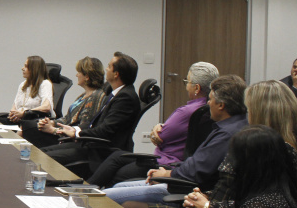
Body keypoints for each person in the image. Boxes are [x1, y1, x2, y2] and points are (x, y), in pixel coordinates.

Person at [133, 80, 297, 208]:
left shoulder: (271, 155)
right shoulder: (262, 146)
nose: (246, 117)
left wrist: (208, 207)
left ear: (261, 113)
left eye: (249, 110)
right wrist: (203, 196)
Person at [103, 75, 248, 204]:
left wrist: (166, 174)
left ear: (221, 105)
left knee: (106, 198)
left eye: (210, 100)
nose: (208, 103)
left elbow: (197, 170)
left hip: (186, 189)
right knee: (117, 187)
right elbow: (196, 163)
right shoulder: (233, 125)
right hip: (179, 176)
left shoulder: (226, 134)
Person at [86, 62, 219, 187]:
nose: (186, 85)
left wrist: (157, 128)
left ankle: (88, 190)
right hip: (176, 162)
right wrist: (159, 126)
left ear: (196, 88)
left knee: (118, 169)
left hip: (164, 163)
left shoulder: (187, 111)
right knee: (117, 157)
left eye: (187, 82)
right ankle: (88, 188)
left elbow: (160, 137)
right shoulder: (207, 110)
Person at [43, 52, 141, 171]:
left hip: (101, 151)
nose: (106, 69)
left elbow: (105, 130)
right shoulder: (115, 93)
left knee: (44, 157)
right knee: (41, 153)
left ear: (116, 74)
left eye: (109, 66)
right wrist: (75, 130)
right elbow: (95, 123)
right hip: (92, 144)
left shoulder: (126, 98)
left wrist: (76, 133)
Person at [21, 57, 105, 148]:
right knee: (29, 124)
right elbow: (66, 118)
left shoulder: (96, 97)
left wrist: (53, 129)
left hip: (67, 139)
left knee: (28, 126)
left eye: (79, 72)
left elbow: (81, 128)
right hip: (61, 131)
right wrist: (51, 123)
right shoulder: (83, 95)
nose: (77, 75)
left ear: (87, 77)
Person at [3, 55, 53, 125]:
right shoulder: (23, 84)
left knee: (24, 125)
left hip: (33, 120)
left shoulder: (45, 84)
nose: (22, 68)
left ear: (34, 69)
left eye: (26, 66)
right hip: (20, 120)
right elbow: (14, 107)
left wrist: (24, 113)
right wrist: (14, 115)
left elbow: (46, 107)